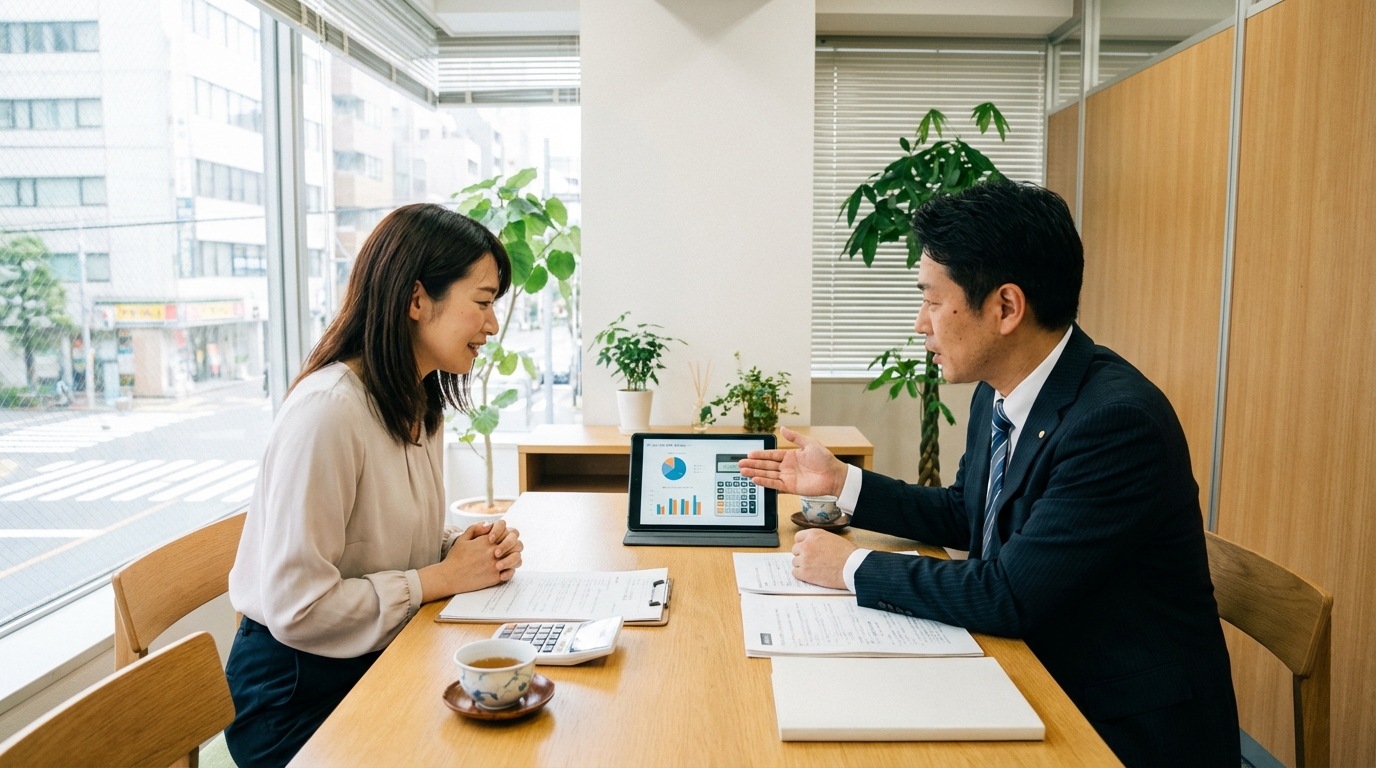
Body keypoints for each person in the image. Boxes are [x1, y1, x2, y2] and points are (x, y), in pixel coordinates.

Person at [740, 181, 1240, 767]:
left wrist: (848, 566)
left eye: (931, 299)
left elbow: (1008, 593)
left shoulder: (1115, 424)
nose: (920, 323)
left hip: (1114, 724)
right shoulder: (1003, 389)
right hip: (1030, 669)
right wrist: (841, 482)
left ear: (1005, 307)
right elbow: (967, 512)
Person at [224, 204, 525, 767]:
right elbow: (299, 606)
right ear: (416, 300)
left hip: (375, 657)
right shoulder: (327, 413)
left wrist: (460, 551)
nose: (491, 326)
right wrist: (440, 576)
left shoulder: (420, 401)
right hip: (294, 695)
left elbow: (380, 543)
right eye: (483, 303)